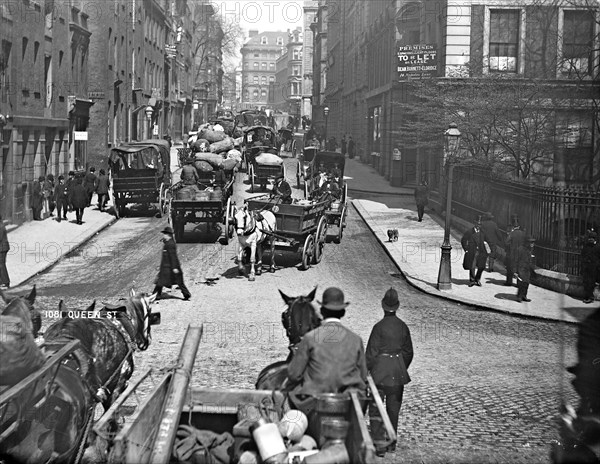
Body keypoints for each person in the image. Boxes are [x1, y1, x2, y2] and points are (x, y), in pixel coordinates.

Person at [286, 287, 368, 431]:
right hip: (346, 403)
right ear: (343, 312)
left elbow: (293, 374)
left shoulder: (310, 338)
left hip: (314, 403)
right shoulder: (356, 340)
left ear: (322, 312)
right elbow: (363, 376)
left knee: (283, 399)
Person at [366, 288, 413, 457]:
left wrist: (368, 371)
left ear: (382, 306)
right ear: (397, 306)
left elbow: (371, 353)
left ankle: (379, 446)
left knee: (376, 408)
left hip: (379, 373)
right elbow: (408, 352)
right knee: (393, 409)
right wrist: (400, 366)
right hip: (397, 373)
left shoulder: (378, 327)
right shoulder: (403, 327)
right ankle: (391, 442)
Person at [152, 226, 191, 301]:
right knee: (160, 281)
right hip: (166, 268)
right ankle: (156, 295)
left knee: (178, 281)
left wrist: (174, 268)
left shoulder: (170, 245)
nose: (164, 236)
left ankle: (186, 294)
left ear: (169, 235)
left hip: (170, 268)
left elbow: (173, 257)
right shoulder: (168, 243)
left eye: (165, 234)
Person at [461, 216, 488, 287]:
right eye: (477, 224)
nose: (479, 226)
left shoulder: (483, 232)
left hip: (482, 252)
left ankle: (477, 279)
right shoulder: (470, 232)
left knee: (481, 267)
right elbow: (463, 240)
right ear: (475, 224)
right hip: (473, 251)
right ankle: (472, 280)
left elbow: (487, 241)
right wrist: (466, 249)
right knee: (472, 266)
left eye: (480, 225)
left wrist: (488, 251)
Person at [504, 216, 526, 286]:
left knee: (509, 267)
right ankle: (519, 283)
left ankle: (509, 282)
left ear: (513, 226)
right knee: (519, 268)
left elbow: (506, 242)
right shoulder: (523, 234)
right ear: (519, 226)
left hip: (512, 253)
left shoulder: (511, 234)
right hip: (521, 253)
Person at [581, 231, 600, 304]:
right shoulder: (586, 246)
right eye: (589, 238)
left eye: (592, 238)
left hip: (594, 268)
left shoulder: (598, 247)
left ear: (595, 239)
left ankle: (590, 297)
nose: (590, 239)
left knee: (591, 283)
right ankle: (587, 296)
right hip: (586, 267)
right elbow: (582, 254)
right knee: (586, 282)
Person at [515, 237, 536, 302]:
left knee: (526, 283)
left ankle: (524, 296)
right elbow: (515, 260)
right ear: (527, 243)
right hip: (521, 268)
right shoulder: (520, 249)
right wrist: (515, 271)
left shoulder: (530, 249)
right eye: (531, 242)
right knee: (522, 282)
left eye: (533, 243)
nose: (532, 244)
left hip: (527, 268)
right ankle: (519, 296)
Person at [0, 215, 10, 289]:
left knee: (1, 264)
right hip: (3, 247)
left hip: (2, 248)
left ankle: (5, 282)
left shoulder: (0, 226)